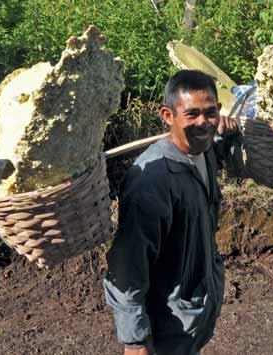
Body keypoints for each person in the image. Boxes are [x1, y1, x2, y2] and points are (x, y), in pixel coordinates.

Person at [104, 69, 239, 355]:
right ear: (168, 115)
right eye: (192, 114)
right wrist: (135, 340)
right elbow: (128, 263)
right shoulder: (152, 181)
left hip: (193, 314)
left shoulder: (202, 152)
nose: (204, 123)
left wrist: (224, 134)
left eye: (210, 112)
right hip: (167, 324)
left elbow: (209, 140)